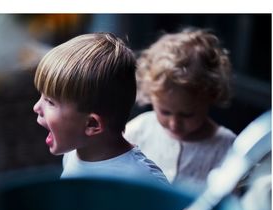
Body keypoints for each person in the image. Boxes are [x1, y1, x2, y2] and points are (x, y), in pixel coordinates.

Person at [33, 32, 169, 185]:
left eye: (50, 102)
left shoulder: (144, 181)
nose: (36, 107)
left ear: (92, 124)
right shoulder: (73, 154)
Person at [124, 28, 236, 190]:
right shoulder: (140, 130)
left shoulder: (226, 147)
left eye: (187, 114)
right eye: (165, 112)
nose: (174, 123)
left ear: (211, 96)